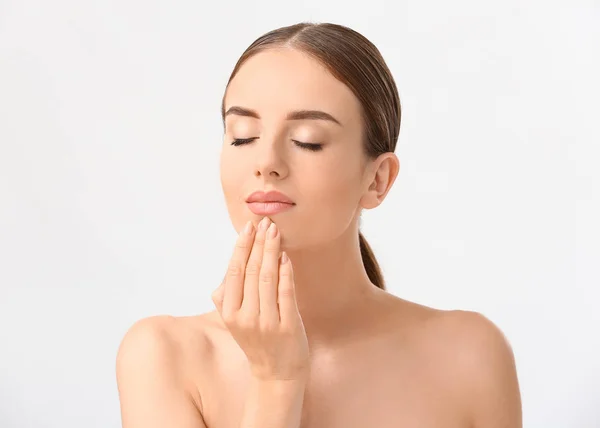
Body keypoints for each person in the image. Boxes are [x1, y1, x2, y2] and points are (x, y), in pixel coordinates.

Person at [115, 22, 522, 428]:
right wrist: (275, 381)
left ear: (377, 179)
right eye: (242, 136)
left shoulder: (470, 355)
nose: (266, 162)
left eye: (308, 140)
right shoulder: (162, 356)